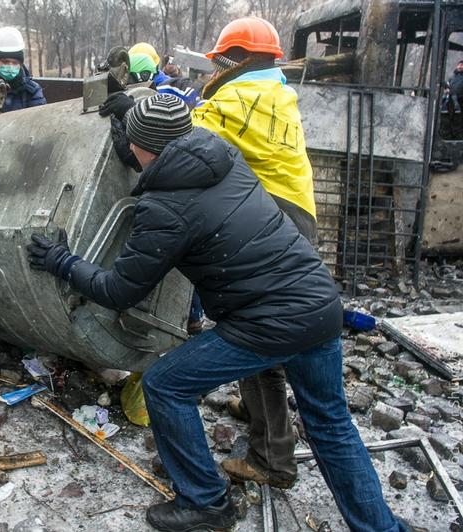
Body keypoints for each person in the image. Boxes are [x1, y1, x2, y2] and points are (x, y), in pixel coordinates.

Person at [26, 93, 405, 532]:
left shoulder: (165, 210)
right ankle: (381, 528)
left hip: (266, 322)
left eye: (134, 145)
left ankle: (206, 503)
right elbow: (168, 167)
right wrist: (133, 123)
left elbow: (119, 290)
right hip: (319, 304)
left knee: (165, 385)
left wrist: (63, 262)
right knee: (331, 423)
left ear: (143, 148)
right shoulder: (221, 157)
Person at [190, 16, 319, 489]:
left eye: (223, 59)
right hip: (294, 217)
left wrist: (142, 108)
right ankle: (256, 410)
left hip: (274, 221)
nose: (217, 67)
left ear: (240, 59)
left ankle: (271, 460)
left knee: (254, 335)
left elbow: (185, 134)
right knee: (265, 334)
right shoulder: (276, 93)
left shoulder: (242, 97)